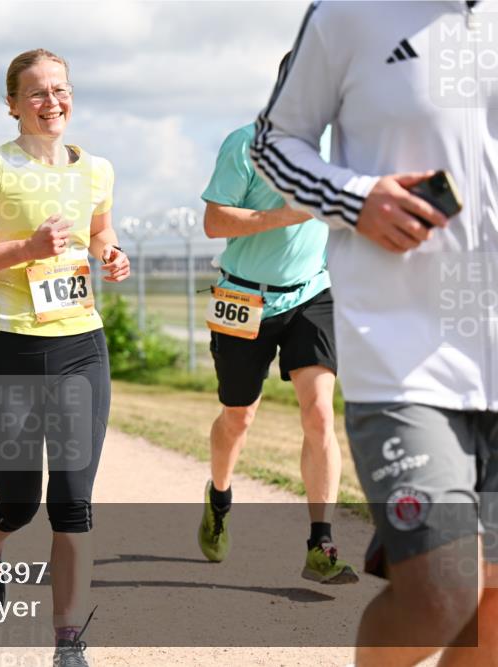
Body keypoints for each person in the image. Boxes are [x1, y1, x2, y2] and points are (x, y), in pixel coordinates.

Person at [251, 2, 496, 664]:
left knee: (494, 606)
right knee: (443, 588)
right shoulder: (349, 13)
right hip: (404, 356)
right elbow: (273, 143)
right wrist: (355, 199)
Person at [0, 48, 129, 667]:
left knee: (72, 500)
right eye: (38, 93)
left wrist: (111, 252)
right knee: (18, 502)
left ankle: (69, 641)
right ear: (14, 104)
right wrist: (27, 246)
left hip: (81, 345)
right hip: (10, 347)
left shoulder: (96, 169)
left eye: (61, 90)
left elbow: (97, 230)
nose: (53, 102)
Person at [196, 54, 357, 585]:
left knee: (318, 415)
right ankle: (219, 495)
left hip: (313, 292)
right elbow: (215, 221)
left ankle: (321, 543)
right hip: (243, 299)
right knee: (238, 417)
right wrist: (283, 215)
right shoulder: (245, 143)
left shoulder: (342, 149)